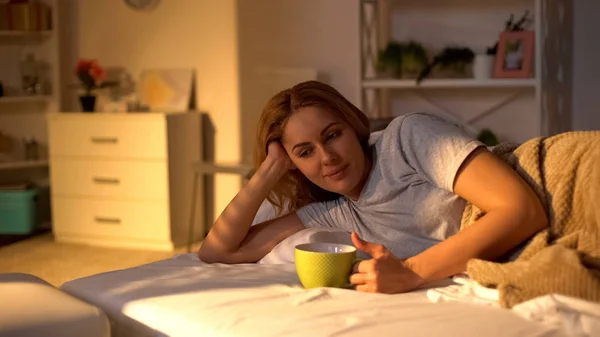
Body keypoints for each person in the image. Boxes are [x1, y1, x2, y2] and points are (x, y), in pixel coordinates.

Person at [198, 80, 548, 294]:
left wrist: (411, 272)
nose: (327, 158)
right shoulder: (334, 212)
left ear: (353, 126)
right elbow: (217, 252)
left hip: (555, 179)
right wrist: (270, 167)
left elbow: (522, 209)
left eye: (332, 135)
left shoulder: (406, 138)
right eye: (305, 152)